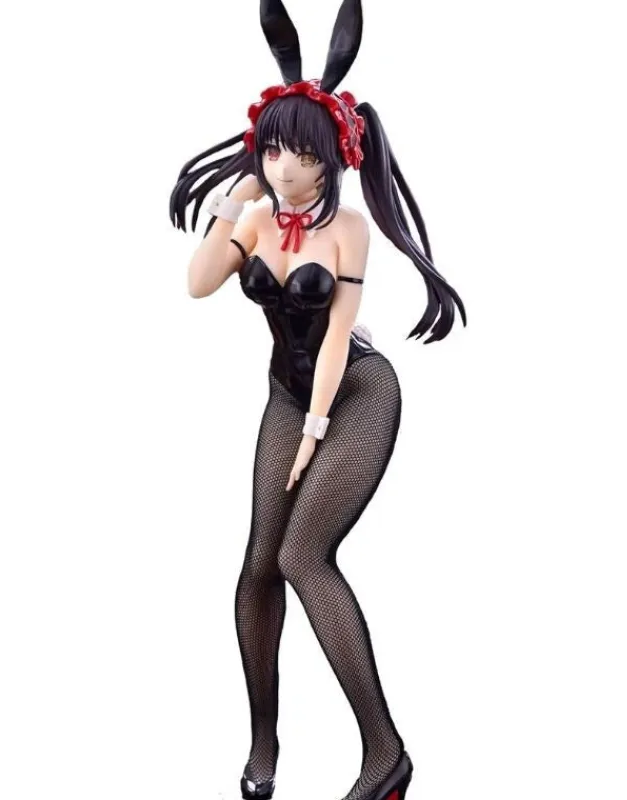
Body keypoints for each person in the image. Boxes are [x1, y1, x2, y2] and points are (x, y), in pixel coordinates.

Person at [169, 2, 466, 798]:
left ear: (333, 155)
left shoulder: (348, 230)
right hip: (284, 395)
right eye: (273, 150)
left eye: (301, 153)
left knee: (303, 557)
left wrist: (315, 432)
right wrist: (234, 202)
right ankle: (264, 743)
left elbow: (336, 339)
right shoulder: (259, 218)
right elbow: (198, 283)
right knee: (256, 568)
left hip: (357, 394)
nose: (284, 166)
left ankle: (386, 754)